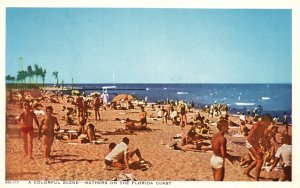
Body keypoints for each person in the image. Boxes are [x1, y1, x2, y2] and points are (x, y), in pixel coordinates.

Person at [243, 114, 272, 181]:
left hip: (255, 143)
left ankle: (246, 171)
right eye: (269, 123)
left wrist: (265, 146)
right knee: (260, 160)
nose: (269, 124)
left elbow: (262, 136)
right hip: (250, 143)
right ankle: (256, 179)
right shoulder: (257, 125)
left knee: (258, 159)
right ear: (265, 121)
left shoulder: (263, 126)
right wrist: (258, 148)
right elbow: (249, 138)